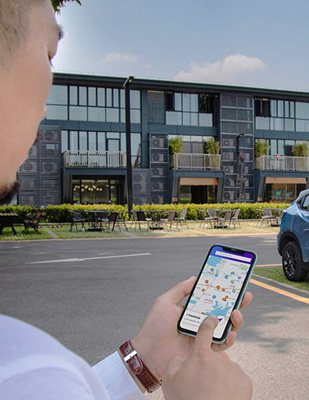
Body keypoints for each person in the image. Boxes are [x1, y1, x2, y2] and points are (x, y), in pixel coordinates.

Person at [0, 1, 253, 398]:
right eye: (48, 55)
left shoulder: (25, 370)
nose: (46, 106)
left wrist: (146, 357)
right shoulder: (25, 366)